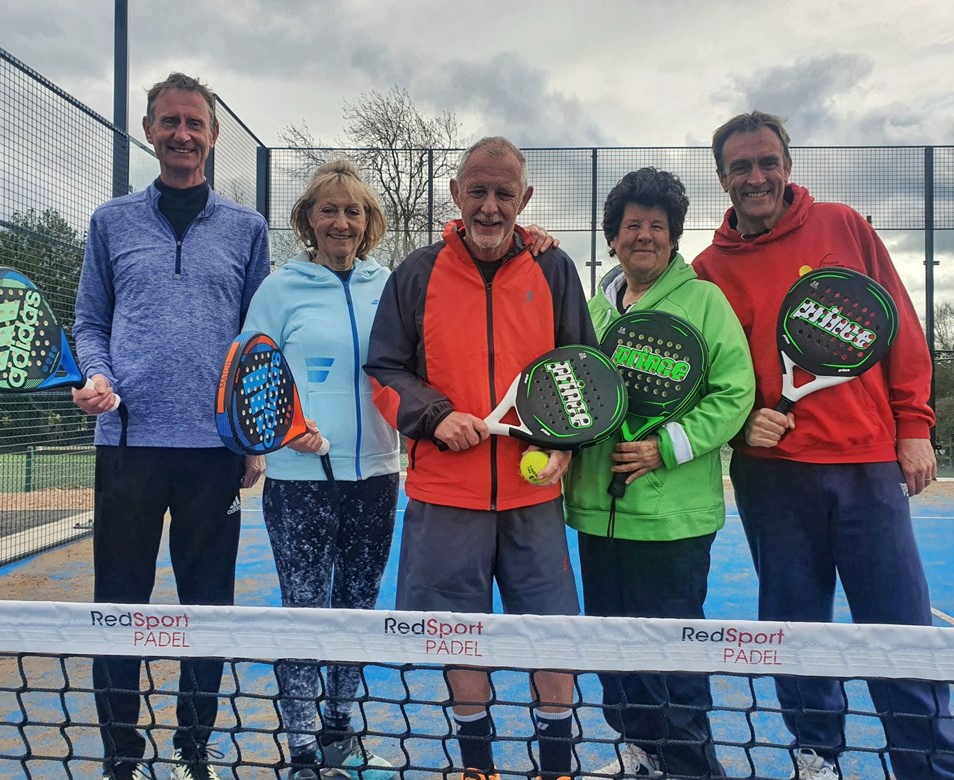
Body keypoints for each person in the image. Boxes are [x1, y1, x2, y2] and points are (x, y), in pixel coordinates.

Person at [691, 111, 954, 780]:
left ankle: (930, 768)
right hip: (773, 478)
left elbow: (897, 326)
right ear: (722, 177)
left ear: (787, 164)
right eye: (741, 167)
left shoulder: (844, 225)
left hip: (867, 467)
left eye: (767, 161)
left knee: (899, 633)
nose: (756, 176)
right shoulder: (707, 269)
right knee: (794, 632)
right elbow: (715, 382)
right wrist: (743, 423)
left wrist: (913, 426)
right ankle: (818, 757)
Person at [364, 137, 593, 780]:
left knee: (553, 640)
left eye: (503, 194)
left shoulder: (555, 270)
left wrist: (562, 447)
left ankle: (556, 767)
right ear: (458, 195)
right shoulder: (415, 273)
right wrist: (436, 416)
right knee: (458, 637)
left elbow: (584, 373)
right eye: (478, 191)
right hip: (445, 498)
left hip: (533, 500)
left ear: (525, 200)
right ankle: (477, 768)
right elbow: (384, 371)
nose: (490, 207)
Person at [73, 72, 270, 780]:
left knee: (207, 612)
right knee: (117, 609)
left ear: (213, 137)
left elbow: (259, 340)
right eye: (169, 122)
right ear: (149, 130)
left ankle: (192, 752)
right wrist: (95, 377)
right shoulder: (110, 222)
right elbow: (90, 323)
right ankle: (121, 755)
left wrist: (250, 438)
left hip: (214, 454)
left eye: (195, 123)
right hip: (127, 449)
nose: (182, 134)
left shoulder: (247, 231)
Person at [564, 168, 754, 779]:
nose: (643, 236)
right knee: (615, 658)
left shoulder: (704, 301)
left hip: (672, 521)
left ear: (672, 238)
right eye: (631, 227)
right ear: (613, 238)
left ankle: (692, 770)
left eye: (656, 227)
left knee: (672, 660)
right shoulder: (593, 308)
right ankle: (640, 757)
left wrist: (662, 449)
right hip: (597, 514)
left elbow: (734, 393)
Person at [241, 160, 401, 780]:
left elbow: (409, 363)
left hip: (378, 476)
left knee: (356, 611)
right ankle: (304, 750)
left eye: (353, 211)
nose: (341, 221)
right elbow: (252, 374)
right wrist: (285, 431)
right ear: (308, 219)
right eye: (328, 210)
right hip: (298, 480)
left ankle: (341, 734)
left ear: (369, 223)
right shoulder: (280, 289)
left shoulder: (387, 283)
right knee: (306, 611)